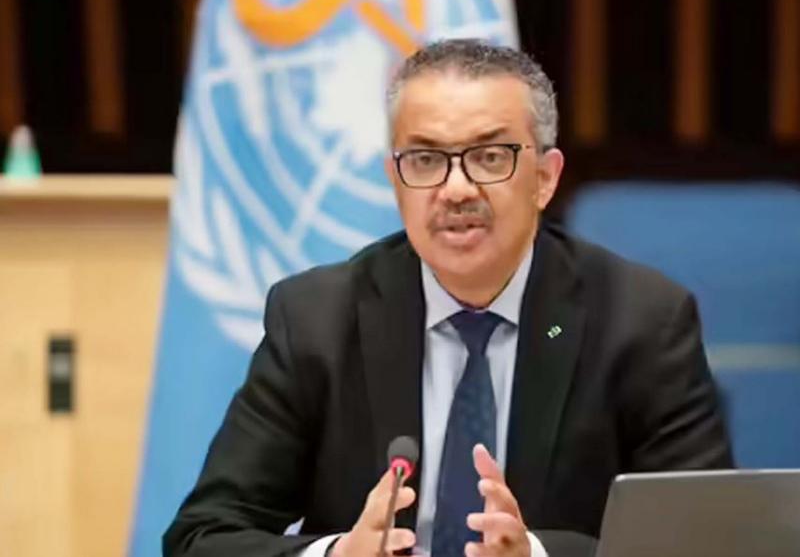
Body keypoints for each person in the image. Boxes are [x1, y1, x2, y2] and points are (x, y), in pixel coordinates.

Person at [164, 39, 732, 557]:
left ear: (544, 177)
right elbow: (202, 538)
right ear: (394, 179)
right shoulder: (317, 319)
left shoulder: (641, 322)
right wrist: (336, 556)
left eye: (490, 157)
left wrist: (537, 555)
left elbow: (708, 543)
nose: (456, 189)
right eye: (426, 160)